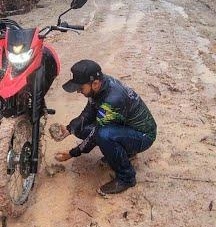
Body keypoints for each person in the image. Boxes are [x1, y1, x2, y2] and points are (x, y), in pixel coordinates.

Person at [53, 59, 157, 195]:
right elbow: (88, 112)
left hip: (143, 136)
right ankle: (125, 153)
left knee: (104, 135)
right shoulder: (101, 85)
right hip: (126, 127)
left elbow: (96, 134)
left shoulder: (113, 99)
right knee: (81, 129)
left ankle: (127, 177)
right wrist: (70, 129)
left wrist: (73, 153)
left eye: (80, 88)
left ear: (95, 84)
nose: (78, 91)